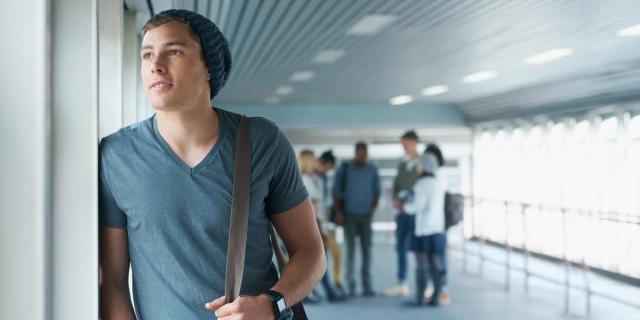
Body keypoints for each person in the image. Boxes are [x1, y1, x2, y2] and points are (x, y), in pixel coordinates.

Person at [99, 10, 324, 320]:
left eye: (173, 51)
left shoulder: (262, 141)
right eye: (147, 54)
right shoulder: (117, 155)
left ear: (208, 66)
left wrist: (271, 304)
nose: (155, 65)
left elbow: (311, 252)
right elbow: (112, 283)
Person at [333, 142, 381, 297]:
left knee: (367, 251)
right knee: (351, 251)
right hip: (349, 215)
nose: (363, 157)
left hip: (366, 216)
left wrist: (371, 211)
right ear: (355, 153)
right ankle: (351, 285)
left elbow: (376, 193)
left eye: (365, 154)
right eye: (360, 154)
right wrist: (339, 212)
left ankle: (367, 285)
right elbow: (337, 192)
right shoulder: (345, 169)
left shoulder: (372, 170)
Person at [403, 147, 447, 307]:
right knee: (436, 263)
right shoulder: (438, 183)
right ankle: (435, 296)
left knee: (421, 264)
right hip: (437, 230)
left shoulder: (421, 184)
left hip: (422, 231)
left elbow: (416, 207)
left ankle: (420, 297)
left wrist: (405, 206)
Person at [298, 150, 344, 302]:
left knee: (319, 259)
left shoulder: (313, 179)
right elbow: (309, 206)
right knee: (317, 260)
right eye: (314, 159)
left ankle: (325, 290)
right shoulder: (304, 180)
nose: (317, 161)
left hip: (320, 223)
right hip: (313, 224)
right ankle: (323, 291)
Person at [384, 130, 421, 297]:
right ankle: (402, 283)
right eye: (402, 145)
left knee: (419, 249)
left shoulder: (422, 164)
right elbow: (396, 186)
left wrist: (405, 200)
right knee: (400, 248)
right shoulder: (402, 164)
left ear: (414, 142)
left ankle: (424, 284)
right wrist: (396, 201)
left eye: (405, 144)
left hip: (416, 214)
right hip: (402, 213)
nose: (403, 147)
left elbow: (420, 189)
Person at [315, 150, 346, 296]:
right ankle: (328, 290)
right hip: (317, 224)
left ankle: (334, 285)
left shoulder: (324, 179)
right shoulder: (311, 179)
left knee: (335, 253)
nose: (328, 171)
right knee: (322, 256)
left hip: (327, 222)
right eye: (328, 167)